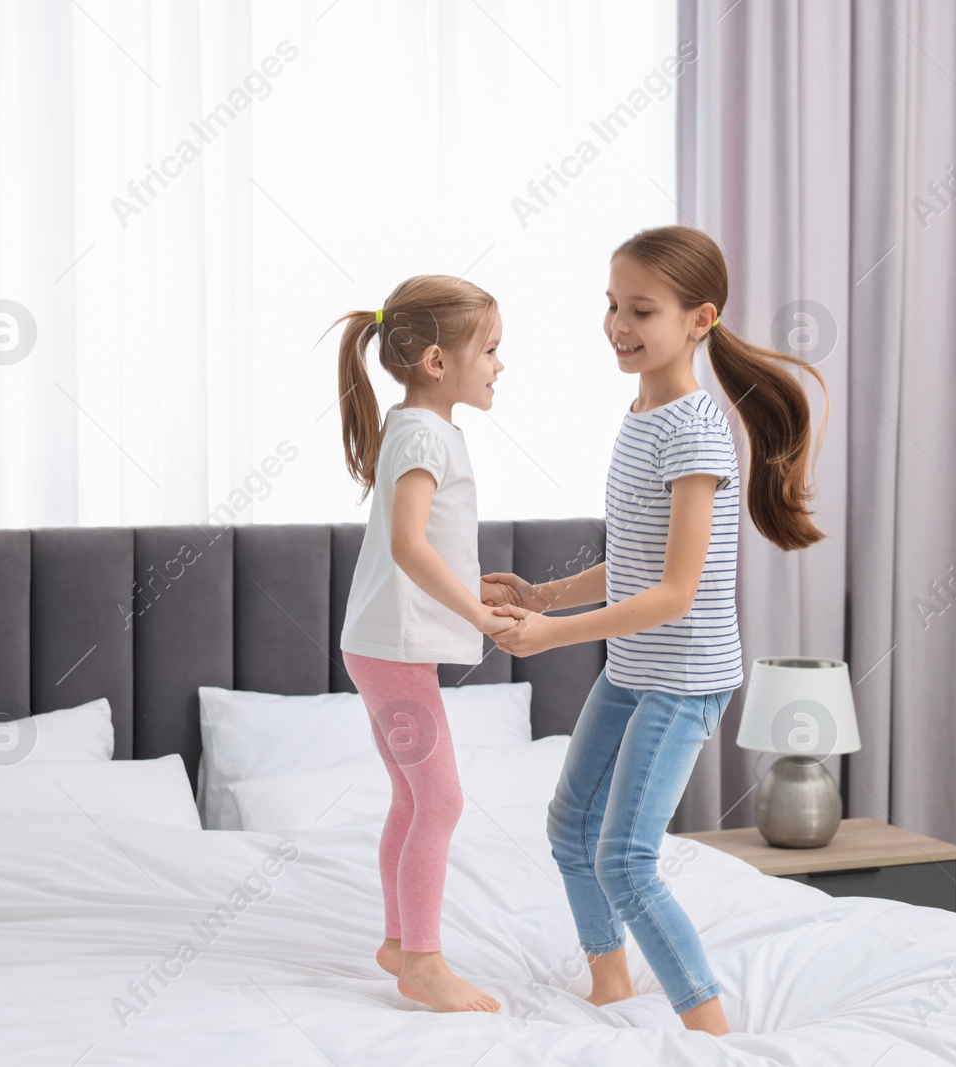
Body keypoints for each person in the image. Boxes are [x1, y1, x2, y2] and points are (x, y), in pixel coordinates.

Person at [483, 226, 826, 1035]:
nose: (617, 323)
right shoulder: (640, 413)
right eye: (611, 304)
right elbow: (636, 560)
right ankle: (611, 985)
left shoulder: (696, 430)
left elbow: (675, 592)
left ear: (700, 318)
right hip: (635, 665)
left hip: (683, 675)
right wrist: (546, 592)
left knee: (625, 858)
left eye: (640, 309)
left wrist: (551, 635)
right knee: (570, 827)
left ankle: (710, 1029)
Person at [332, 274, 514, 1014]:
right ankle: (424, 960)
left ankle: (398, 941)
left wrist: (479, 588)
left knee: (414, 799)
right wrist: (472, 607)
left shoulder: (420, 431)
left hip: (385, 643)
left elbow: (421, 542)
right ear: (439, 362)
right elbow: (409, 544)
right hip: (393, 647)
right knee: (439, 801)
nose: (501, 365)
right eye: (493, 350)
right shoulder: (421, 433)